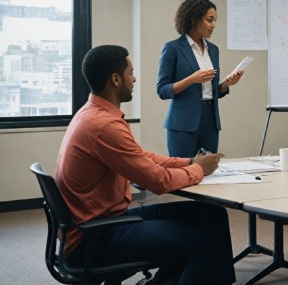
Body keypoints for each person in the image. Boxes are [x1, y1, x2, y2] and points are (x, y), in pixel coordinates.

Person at [56, 45, 236, 284]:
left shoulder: (93, 113)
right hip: (95, 238)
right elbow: (158, 182)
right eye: (130, 72)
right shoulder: (104, 125)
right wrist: (199, 169)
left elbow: (141, 157)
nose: (135, 78)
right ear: (116, 79)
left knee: (212, 215)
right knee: (206, 238)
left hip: (101, 223)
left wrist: (188, 161)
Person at [157, 0, 244, 157]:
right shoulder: (173, 48)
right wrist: (192, 79)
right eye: (209, 20)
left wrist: (225, 85)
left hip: (210, 121)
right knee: (183, 172)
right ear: (194, 19)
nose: (214, 25)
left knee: (208, 172)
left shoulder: (213, 49)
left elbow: (211, 89)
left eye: (215, 20)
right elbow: (162, 90)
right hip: (183, 122)